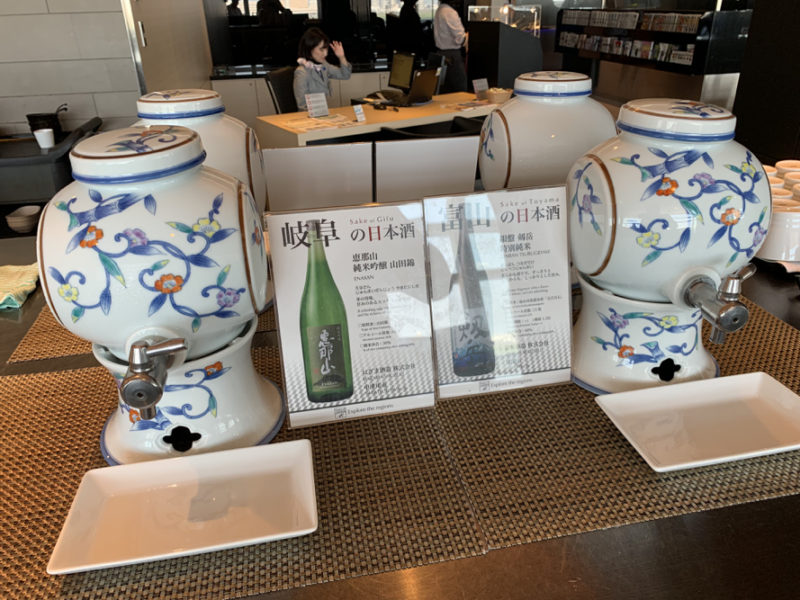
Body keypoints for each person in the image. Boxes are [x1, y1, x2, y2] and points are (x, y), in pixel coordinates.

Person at [293, 27, 352, 111]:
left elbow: (345, 75)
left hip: (324, 113)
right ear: (309, 49)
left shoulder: (324, 65)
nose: (325, 53)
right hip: (311, 118)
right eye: (321, 49)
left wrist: (341, 57)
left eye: (326, 48)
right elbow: (303, 107)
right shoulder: (301, 72)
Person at [433, 0, 467, 93]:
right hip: (452, 55)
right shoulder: (450, 12)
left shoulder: (439, 10)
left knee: (444, 90)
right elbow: (460, 38)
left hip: (440, 53)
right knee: (460, 89)